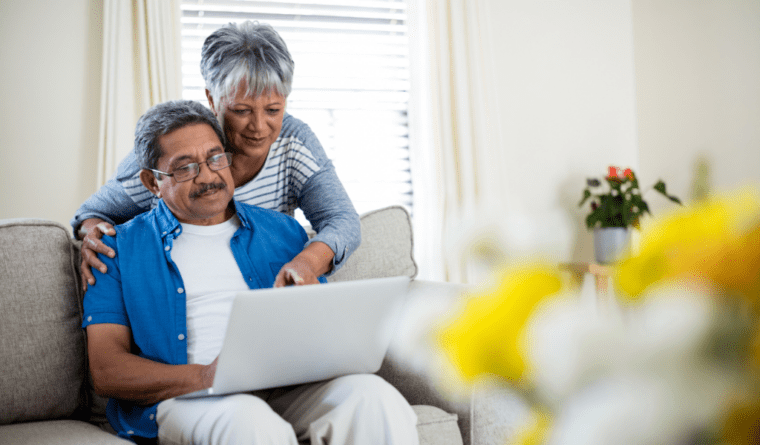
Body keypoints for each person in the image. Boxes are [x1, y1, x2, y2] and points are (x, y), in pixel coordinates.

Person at [83, 99, 418, 444]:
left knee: (374, 397)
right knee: (249, 421)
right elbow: (108, 371)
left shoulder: (284, 231)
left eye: (215, 158)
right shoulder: (114, 250)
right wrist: (208, 376)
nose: (208, 176)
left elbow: (319, 324)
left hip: (288, 387)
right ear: (152, 182)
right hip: (188, 399)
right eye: (185, 168)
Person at [72, 20, 360, 291]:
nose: (259, 127)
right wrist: (95, 236)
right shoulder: (172, 153)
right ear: (212, 99)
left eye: (273, 110)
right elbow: (91, 214)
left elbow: (343, 220)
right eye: (241, 110)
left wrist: (306, 263)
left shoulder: (294, 142)